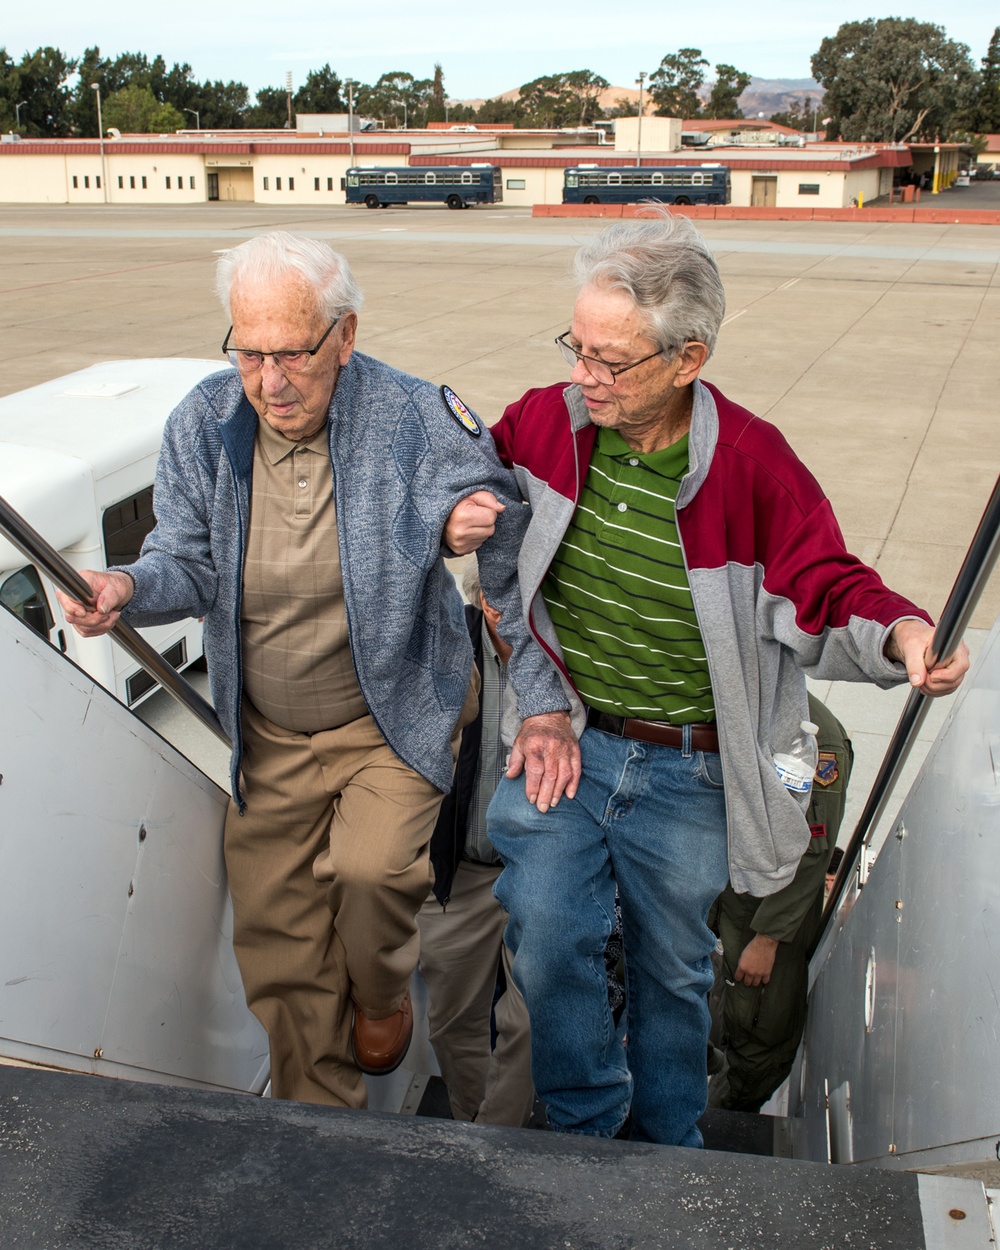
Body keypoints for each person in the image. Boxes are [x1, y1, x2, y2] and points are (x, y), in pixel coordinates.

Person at [443, 211, 968, 1147]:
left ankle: (672, 1146)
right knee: (548, 931)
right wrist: (460, 516)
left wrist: (902, 636)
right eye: (579, 347)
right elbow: (465, 468)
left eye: (610, 361)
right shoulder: (550, 423)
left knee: (673, 971)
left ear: (688, 360)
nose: (582, 376)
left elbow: (825, 584)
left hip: (690, 773)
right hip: (570, 739)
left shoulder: (754, 469)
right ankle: (583, 1130)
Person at [56, 231, 571, 1109]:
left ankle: (379, 995)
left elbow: (486, 494)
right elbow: (185, 561)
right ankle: (317, 1139)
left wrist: (456, 522)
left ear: (344, 334)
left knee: (373, 879)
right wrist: (127, 587)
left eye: (292, 352)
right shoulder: (204, 421)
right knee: (279, 951)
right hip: (268, 737)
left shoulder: (410, 411)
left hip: (388, 719)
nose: (271, 381)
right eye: (249, 351)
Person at [418, 566, 535, 1127]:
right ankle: (470, 1126)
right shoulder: (444, 640)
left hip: (539, 872)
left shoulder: (567, 654)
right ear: (482, 599)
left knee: (531, 1020)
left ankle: (501, 1139)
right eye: (498, 592)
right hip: (457, 874)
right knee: (451, 1023)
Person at [707, 693, 853, 1113]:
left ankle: (720, 1126)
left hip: (766, 916)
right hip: (723, 898)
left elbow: (811, 849)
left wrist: (767, 939)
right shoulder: (735, 700)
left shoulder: (815, 736)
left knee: (759, 1030)